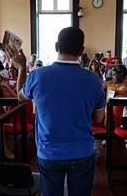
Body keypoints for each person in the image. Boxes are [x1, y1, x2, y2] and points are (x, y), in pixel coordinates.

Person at [6, 27, 105, 196]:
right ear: (81, 51)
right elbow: (99, 117)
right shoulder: (93, 80)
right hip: (81, 151)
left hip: (48, 152)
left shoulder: (38, 76)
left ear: (56, 46)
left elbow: (20, 96)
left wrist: (21, 66)